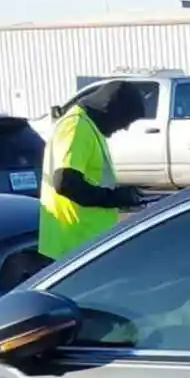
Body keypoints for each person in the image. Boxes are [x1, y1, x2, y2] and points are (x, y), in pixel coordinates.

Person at [36, 81, 149, 264]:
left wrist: (122, 195)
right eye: (125, 120)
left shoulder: (90, 127)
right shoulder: (76, 126)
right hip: (72, 245)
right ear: (112, 111)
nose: (125, 127)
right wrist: (113, 198)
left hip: (85, 244)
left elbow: (91, 180)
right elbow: (65, 182)